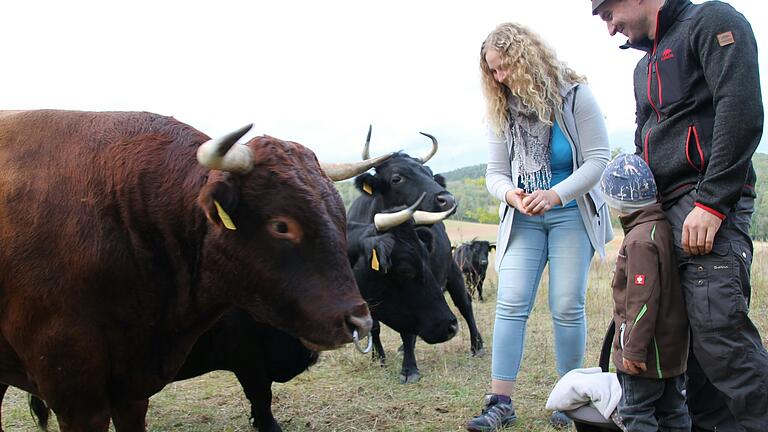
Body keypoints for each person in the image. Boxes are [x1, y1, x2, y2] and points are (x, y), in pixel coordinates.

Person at [591, 1, 768, 431]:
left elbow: (740, 108)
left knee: (719, 333)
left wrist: (712, 202)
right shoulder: (643, 68)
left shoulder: (711, 23)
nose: (611, 30)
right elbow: (643, 138)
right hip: (663, 211)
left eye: (609, 15)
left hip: (707, 200)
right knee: (680, 341)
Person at [468, 22, 612, 431]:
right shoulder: (502, 108)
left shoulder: (574, 96)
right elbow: (495, 174)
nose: (498, 78)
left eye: (503, 67)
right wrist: (512, 195)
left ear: (524, 58)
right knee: (511, 304)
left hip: (570, 212)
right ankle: (500, 404)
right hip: (523, 218)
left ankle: (571, 401)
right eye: (492, 71)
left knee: (567, 306)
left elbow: (598, 160)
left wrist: (555, 194)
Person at [601, 153, 690, 432]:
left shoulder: (639, 240)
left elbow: (643, 299)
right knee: (674, 413)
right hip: (672, 352)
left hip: (645, 356)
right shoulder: (662, 226)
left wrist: (633, 350)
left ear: (617, 203)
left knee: (636, 412)